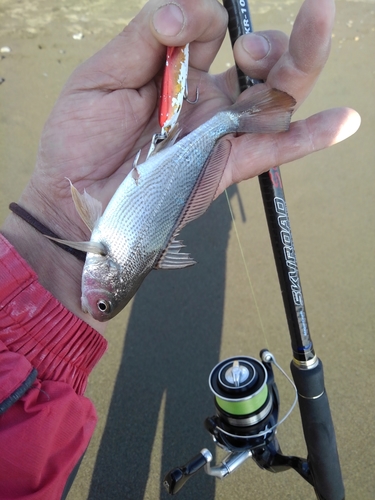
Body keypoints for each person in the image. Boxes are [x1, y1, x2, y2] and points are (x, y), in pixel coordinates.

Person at [0, 0, 360, 498]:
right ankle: (231, 119)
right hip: (171, 165)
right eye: (103, 303)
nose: (95, 307)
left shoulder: (95, 258)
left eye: (102, 306)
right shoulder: (101, 262)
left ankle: (231, 118)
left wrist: (49, 239)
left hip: (155, 171)